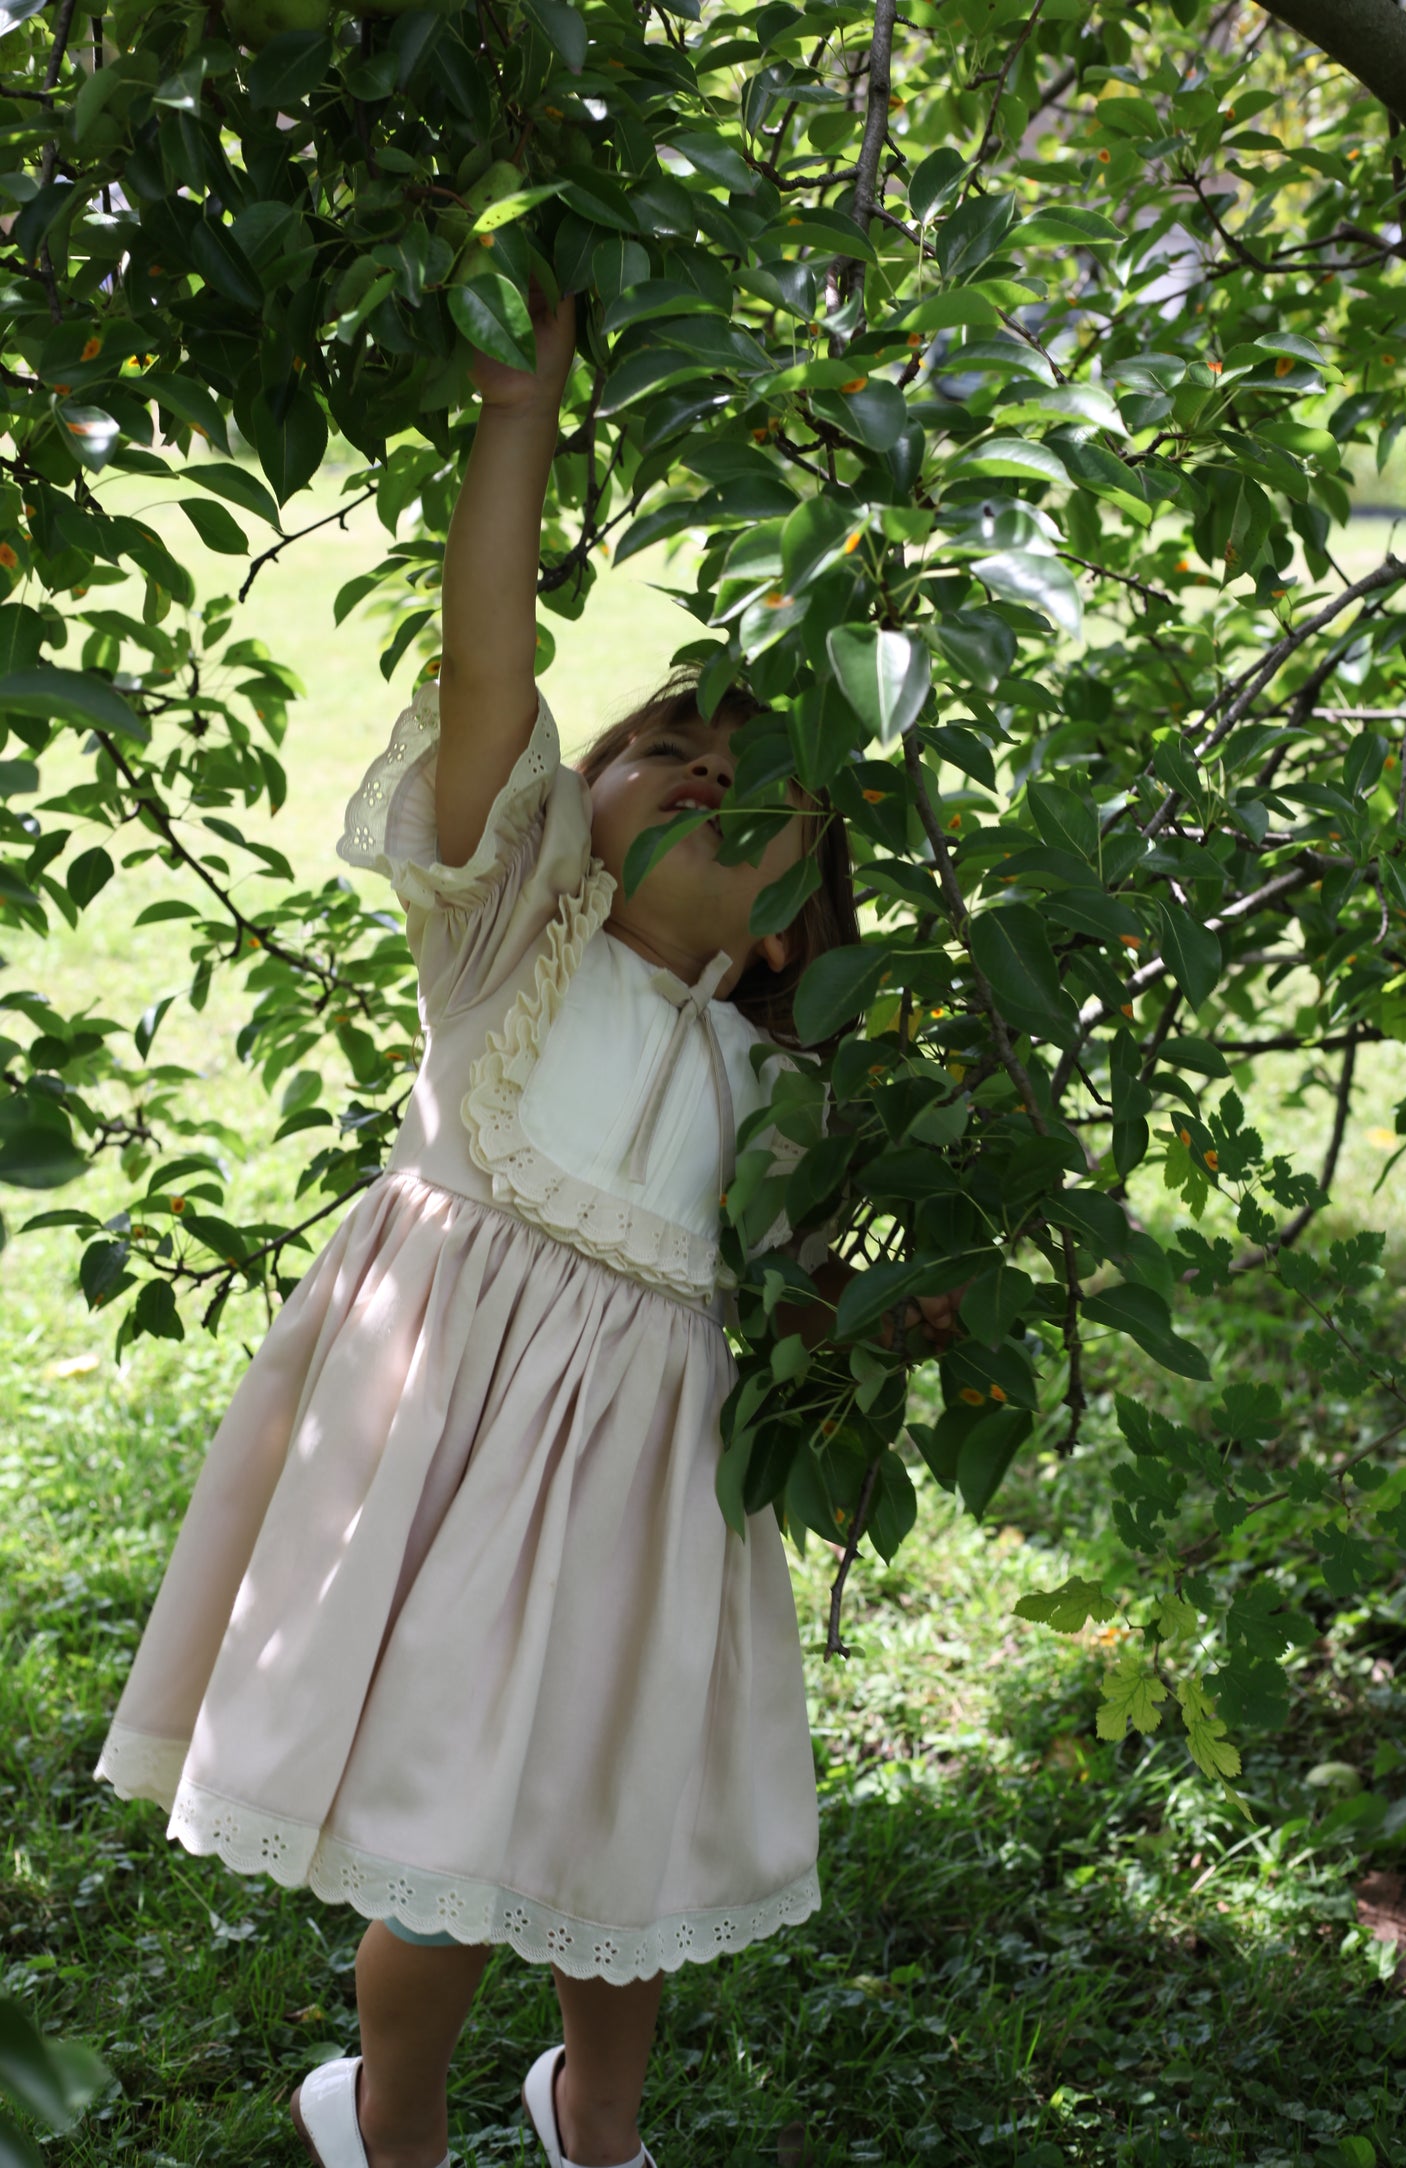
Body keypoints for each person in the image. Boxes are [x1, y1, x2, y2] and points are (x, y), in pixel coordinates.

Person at [92, 287, 876, 2168]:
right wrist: (514, 421)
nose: (707, 774)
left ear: (786, 933)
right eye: (670, 748)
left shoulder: (782, 1098)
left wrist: (868, 1326)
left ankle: (593, 2115)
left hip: (646, 1491)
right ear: (577, 806)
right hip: (444, 1452)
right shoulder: (508, 942)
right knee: (444, 1847)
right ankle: (395, 2116)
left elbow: (802, 1303)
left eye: (761, 795)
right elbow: (485, 669)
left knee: (619, 1833)